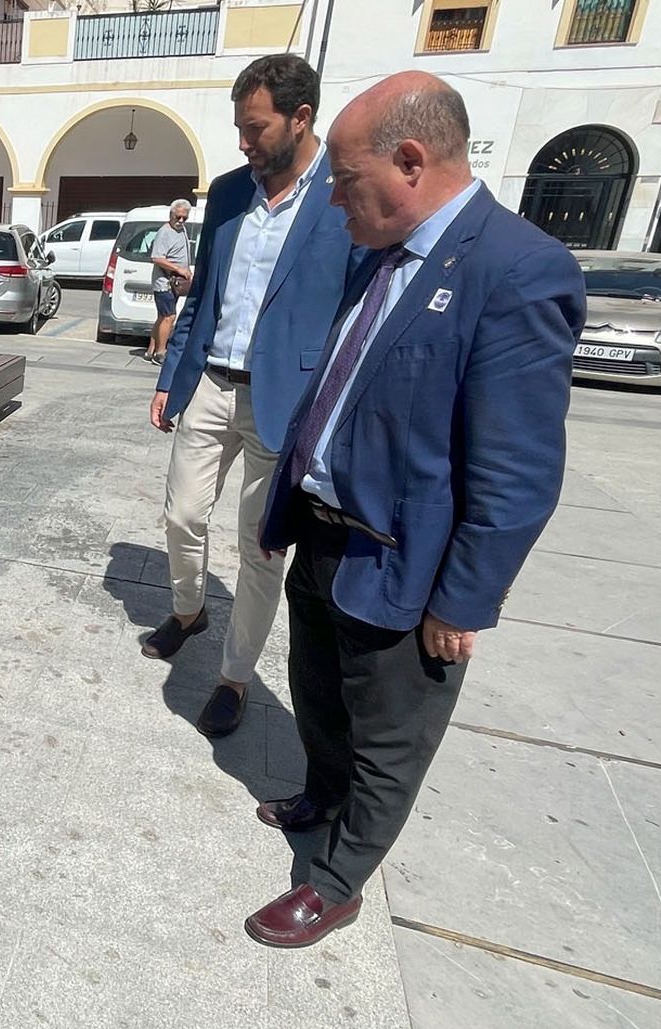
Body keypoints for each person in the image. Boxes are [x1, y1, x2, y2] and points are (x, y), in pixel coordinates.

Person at [246, 72, 585, 948]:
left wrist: (462, 600)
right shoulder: (381, 249)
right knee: (316, 691)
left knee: (390, 739)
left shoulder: (517, 269)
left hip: (406, 563)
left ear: (409, 161)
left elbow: (517, 471)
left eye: (345, 179)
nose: (333, 195)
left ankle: (338, 878)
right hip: (325, 535)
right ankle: (322, 794)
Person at [143, 54, 358, 741]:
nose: (243, 141)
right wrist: (170, 378)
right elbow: (203, 293)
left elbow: (354, 313)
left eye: (255, 127)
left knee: (261, 549)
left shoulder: (343, 194)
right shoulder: (232, 192)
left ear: (301, 118)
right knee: (181, 514)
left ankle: (234, 676)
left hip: (284, 400)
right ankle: (188, 610)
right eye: (238, 127)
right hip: (211, 380)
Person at [144, 199, 193, 360]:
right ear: (171, 215)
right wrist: (178, 269)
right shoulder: (164, 232)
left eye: (184, 218)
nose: (180, 221)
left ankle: (151, 350)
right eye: (178, 217)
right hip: (164, 282)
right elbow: (157, 258)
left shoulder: (182, 230)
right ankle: (161, 352)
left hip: (176, 283)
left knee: (162, 316)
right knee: (169, 316)